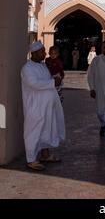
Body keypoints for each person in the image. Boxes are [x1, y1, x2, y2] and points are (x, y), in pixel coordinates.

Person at [21, 41, 65, 171]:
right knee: (33, 131)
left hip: (46, 106)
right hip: (35, 106)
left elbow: (47, 80)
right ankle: (31, 159)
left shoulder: (42, 66)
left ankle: (45, 155)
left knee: (47, 129)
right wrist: (53, 82)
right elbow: (34, 83)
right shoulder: (27, 68)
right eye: (43, 51)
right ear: (34, 53)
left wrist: (56, 79)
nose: (45, 54)